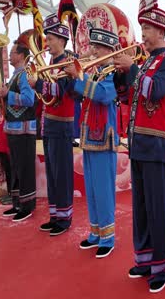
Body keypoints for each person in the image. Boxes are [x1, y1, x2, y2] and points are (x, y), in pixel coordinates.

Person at [113, 0, 165, 293]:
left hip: (157, 145)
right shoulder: (145, 62)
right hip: (138, 145)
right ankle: (145, 258)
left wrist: (133, 68)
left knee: (157, 207)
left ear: (160, 31)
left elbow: (154, 89)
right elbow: (128, 97)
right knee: (140, 206)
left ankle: (162, 265)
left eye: (147, 27)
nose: (143, 33)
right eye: (141, 27)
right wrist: (120, 74)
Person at [64, 28, 120, 258]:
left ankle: (108, 236)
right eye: (93, 47)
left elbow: (104, 95)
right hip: (89, 138)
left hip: (104, 139)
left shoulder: (114, 73)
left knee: (104, 190)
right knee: (93, 190)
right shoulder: (96, 72)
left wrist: (79, 77)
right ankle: (96, 231)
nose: (92, 51)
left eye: (97, 48)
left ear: (108, 50)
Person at [28, 14, 75, 235]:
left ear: (62, 40)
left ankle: (64, 219)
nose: (47, 41)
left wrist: (37, 83)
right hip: (49, 125)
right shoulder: (51, 63)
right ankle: (55, 215)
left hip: (62, 126)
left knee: (62, 174)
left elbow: (60, 91)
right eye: (47, 36)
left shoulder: (66, 62)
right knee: (53, 174)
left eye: (51, 37)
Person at [0, 39, 37, 221]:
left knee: (24, 169)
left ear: (21, 56)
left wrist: (8, 95)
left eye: (13, 52)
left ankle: (27, 205)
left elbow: (30, 100)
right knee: (15, 169)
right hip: (14, 129)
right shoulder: (15, 76)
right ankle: (17, 203)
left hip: (23, 130)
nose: (9, 55)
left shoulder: (24, 75)